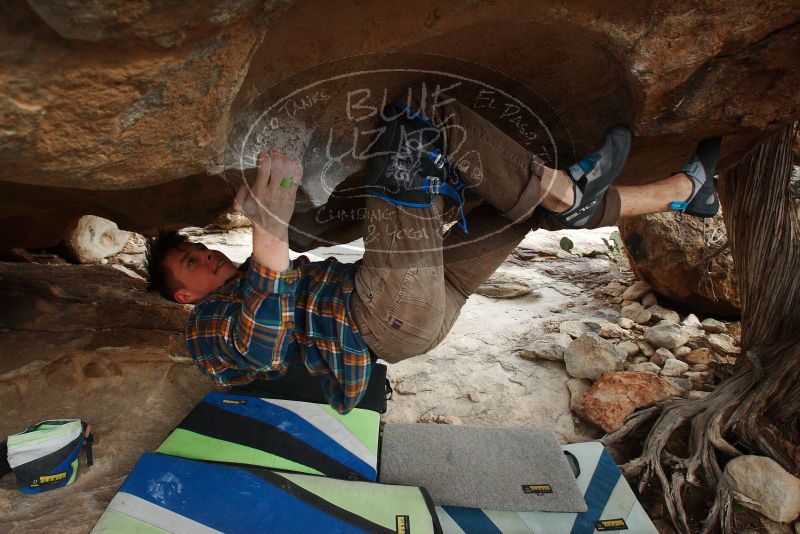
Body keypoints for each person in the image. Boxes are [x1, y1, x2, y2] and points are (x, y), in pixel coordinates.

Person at [145, 94, 720, 414]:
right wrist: (267, 231)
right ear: (183, 293)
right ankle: (569, 195)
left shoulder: (253, 271)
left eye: (199, 248)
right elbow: (263, 345)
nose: (206, 257)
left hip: (418, 299)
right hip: (380, 317)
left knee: (520, 193)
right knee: (411, 126)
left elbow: (320, 234)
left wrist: (284, 213)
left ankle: (681, 192)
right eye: (191, 263)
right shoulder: (204, 330)